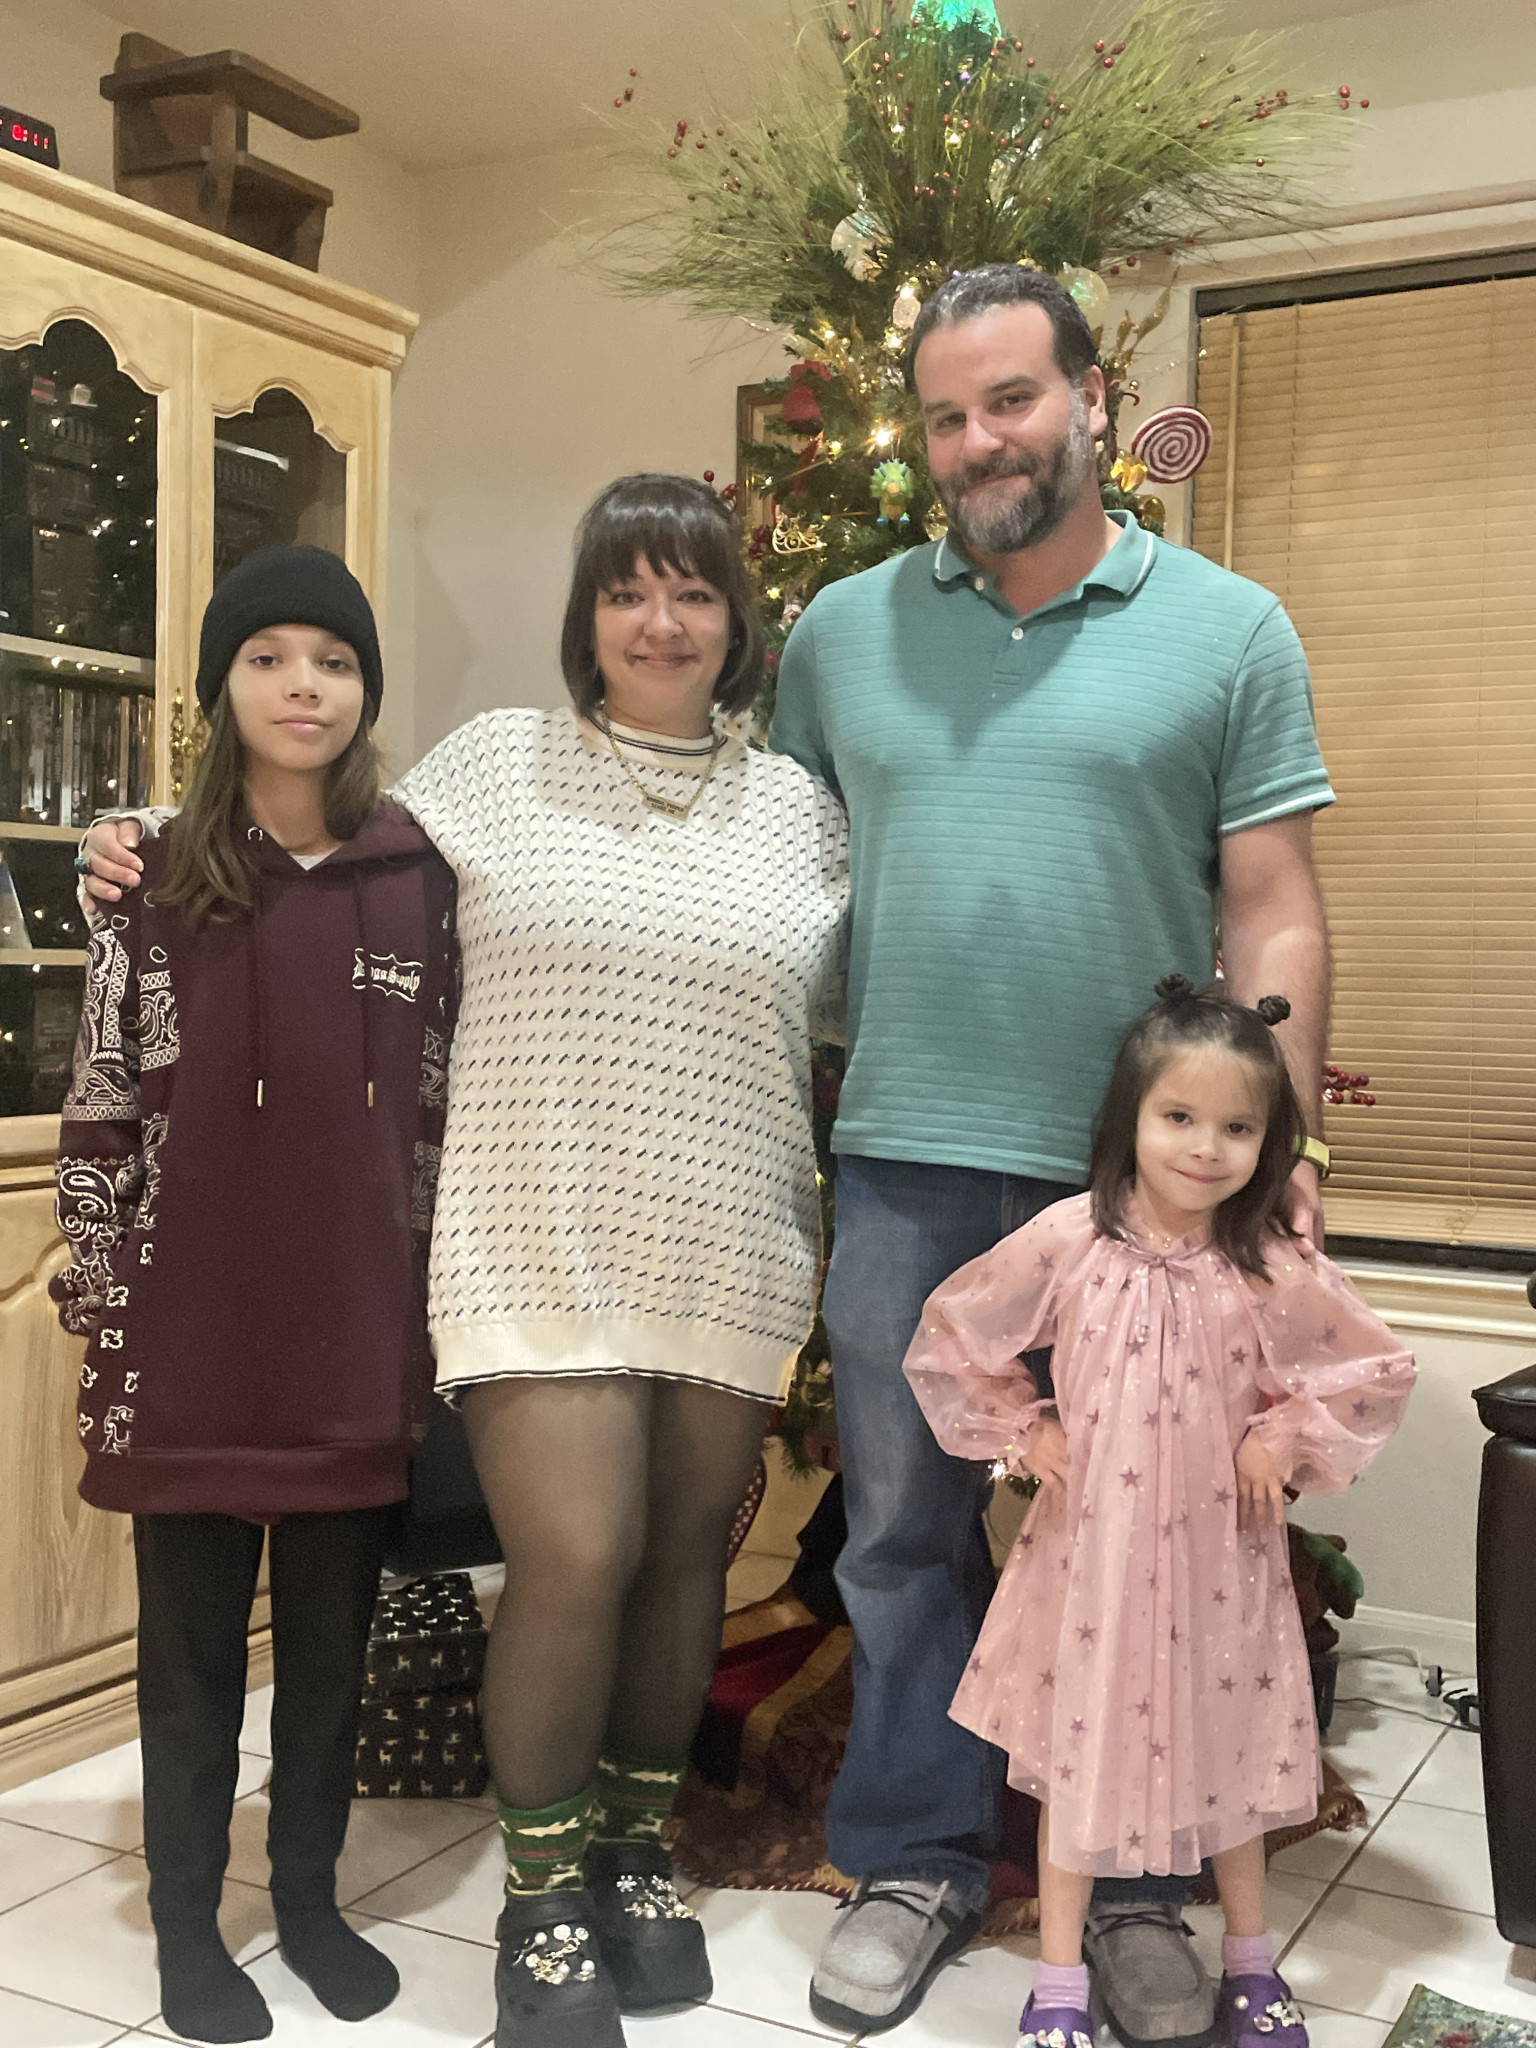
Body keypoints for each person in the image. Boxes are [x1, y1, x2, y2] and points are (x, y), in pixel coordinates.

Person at [78, 475, 850, 2048]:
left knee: (680, 1564)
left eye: (693, 592)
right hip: (521, 1234)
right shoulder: (492, 768)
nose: (660, 621)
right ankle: (540, 1900)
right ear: (585, 617)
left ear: (737, 621)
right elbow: (299, 828)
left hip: (725, 1237)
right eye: (626, 591)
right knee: (572, 1555)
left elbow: (863, 1011)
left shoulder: (806, 813)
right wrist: (142, 833)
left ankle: (627, 1856)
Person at [770, 263, 1338, 2037]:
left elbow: (1275, 909)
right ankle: (916, 1855)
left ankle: (1148, 1883)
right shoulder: (837, 635)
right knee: (900, 1533)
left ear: (1092, 398)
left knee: (1155, 1538)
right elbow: (774, 866)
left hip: (1142, 1197)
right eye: (945, 415)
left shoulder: (1230, 629)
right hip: (904, 1162)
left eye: (1011, 399)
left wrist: (1279, 1157)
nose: (978, 441)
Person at [53, 546, 459, 2044]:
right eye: (270, 656)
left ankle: (307, 1898)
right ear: (222, 687)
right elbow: (102, 1089)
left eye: (335, 661)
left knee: (334, 1658)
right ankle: (185, 1923)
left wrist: (431, 1316)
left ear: (366, 690)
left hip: (356, 1329)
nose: (305, 686)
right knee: (190, 1664)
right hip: (188, 1333)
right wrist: (105, 1303)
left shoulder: (422, 877)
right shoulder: (150, 877)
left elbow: (439, 1106)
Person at [902, 976, 1415, 2048]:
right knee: (1076, 1762)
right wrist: (1024, 1430)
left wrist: (1279, 1432)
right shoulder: (1069, 1240)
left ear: (1270, 1142)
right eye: (1179, 1115)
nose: (1206, 1147)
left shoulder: (1268, 1264)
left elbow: (1370, 1367)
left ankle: (1251, 1961)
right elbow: (955, 1332)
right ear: (1129, 1116)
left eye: (1238, 1126)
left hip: (1219, 1569)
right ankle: (1057, 1979)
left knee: (1231, 1765)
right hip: (1090, 1566)